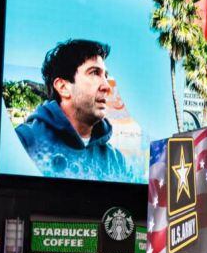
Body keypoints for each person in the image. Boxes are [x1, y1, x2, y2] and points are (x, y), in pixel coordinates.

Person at [15, 39, 129, 181]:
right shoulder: (23, 141)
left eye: (105, 76)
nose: (107, 87)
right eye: (94, 73)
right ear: (63, 87)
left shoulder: (116, 161)